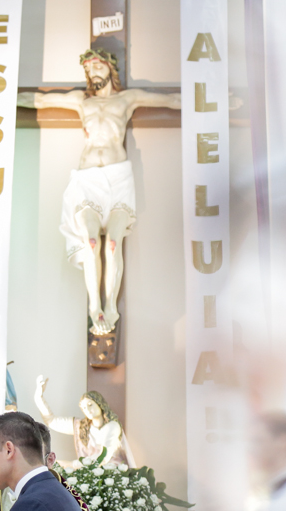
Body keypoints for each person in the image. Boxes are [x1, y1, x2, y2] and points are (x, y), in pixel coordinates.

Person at [17, 49, 180, 335]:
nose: (93, 72)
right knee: (92, 243)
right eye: (88, 69)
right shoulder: (82, 101)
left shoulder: (127, 99)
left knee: (112, 244)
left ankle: (111, 305)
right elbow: (41, 100)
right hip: (88, 180)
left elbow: (171, 100)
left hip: (118, 178)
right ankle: (95, 307)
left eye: (97, 66)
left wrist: (214, 102)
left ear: (110, 68)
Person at [34, 375, 128, 465]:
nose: (88, 410)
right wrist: (39, 398)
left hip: (112, 475)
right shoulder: (81, 426)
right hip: (88, 474)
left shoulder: (113, 426)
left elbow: (104, 457)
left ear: (100, 403)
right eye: (84, 408)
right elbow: (51, 421)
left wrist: (72, 464)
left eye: (90, 404)